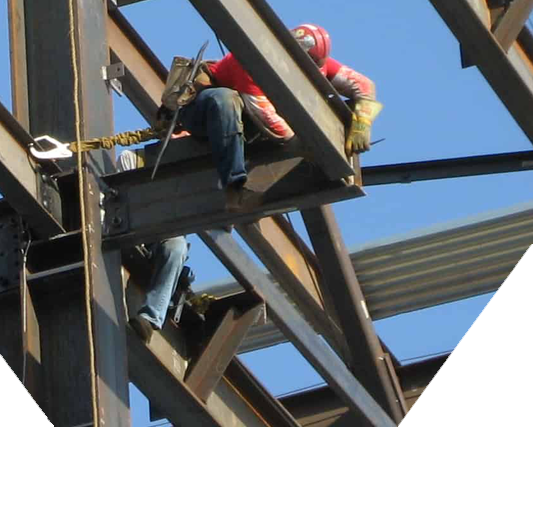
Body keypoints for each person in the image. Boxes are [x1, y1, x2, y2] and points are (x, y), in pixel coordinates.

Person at [128, 23, 380, 343]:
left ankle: (152, 316)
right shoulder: (253, 62)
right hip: (203, 114)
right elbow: (274, 126)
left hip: (237, 129)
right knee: (225, 99)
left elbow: (363, 85)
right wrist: (313, 147)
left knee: (175, 247)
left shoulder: (312, 64)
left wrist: (361, 121)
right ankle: (234, 182)